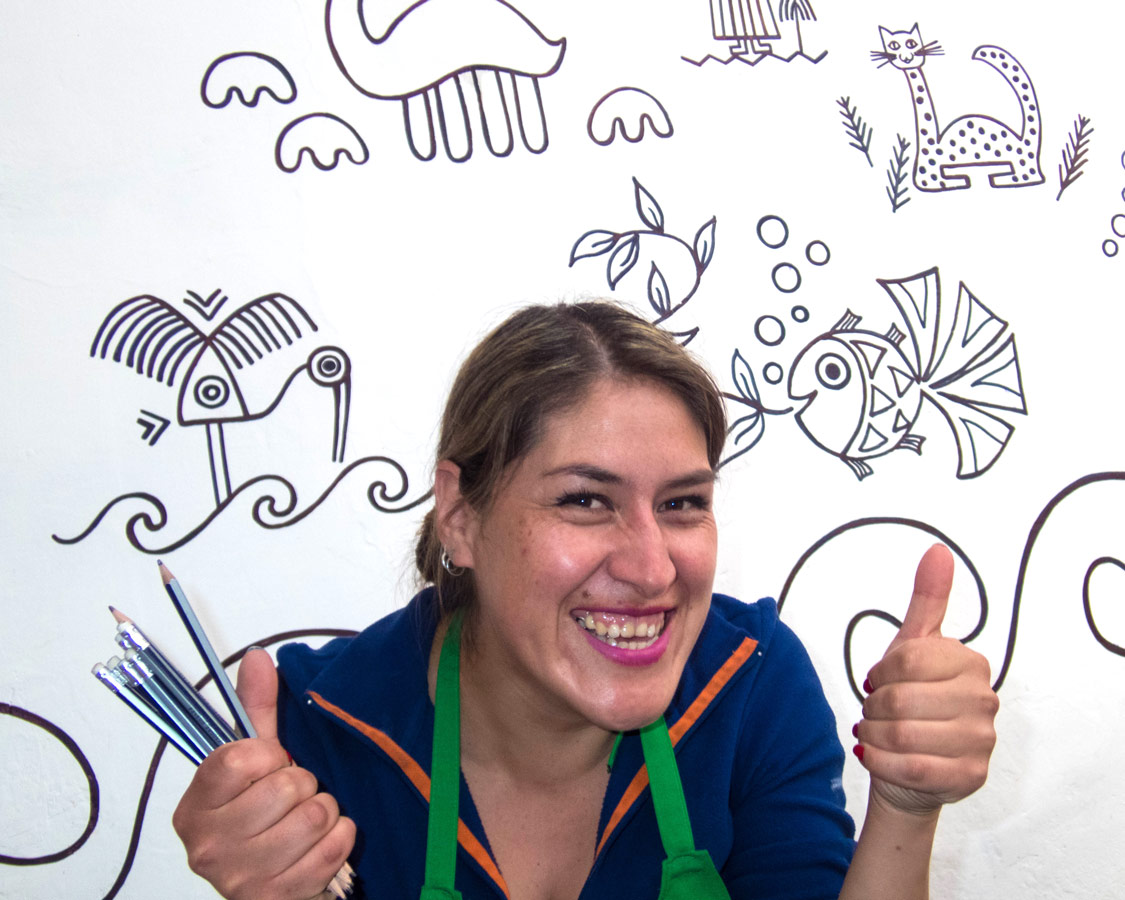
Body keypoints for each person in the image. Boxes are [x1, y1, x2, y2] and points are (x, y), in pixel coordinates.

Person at [173, 300, 999, 900]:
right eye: (584, 501)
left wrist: (904, 804)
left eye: (681, 503)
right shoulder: (319, 729)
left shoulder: (748, 679)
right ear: (460, 517)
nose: (650, 569)